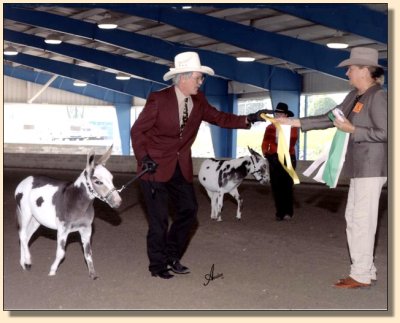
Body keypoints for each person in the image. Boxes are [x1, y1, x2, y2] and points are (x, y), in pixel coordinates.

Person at [130, 51, 270, 279]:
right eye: (198, 78)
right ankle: (157, 265)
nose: (201, 82)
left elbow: (220, 118)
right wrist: (143, 156)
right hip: (153, 168)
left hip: (179, 166)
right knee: (159, 220)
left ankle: (172, 256)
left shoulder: (199, 100)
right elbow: (138, 130)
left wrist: (249, 119)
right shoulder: (159, 99)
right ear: (183, 78)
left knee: (189, 211)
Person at [277, 47, 387, 288]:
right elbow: (328, 118)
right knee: (355, 219)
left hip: (372, 167)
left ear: (364, 70)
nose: (347, 72)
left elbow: (387, 133)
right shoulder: (354, 96)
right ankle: (365, 269)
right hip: (359, 168)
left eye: (350, 68)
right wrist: (291, 122)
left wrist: (354, 130)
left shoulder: (378, 96)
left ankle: (360, 274)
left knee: (362, 220)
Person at [261, 102, 299, 221]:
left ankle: (288, 212)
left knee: (287, 186)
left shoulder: (292, 127)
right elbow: (265, 143)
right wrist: (267, 154)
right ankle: (280, 212)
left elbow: (292, 141)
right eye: (276, 113)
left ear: (286, 115)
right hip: (274, 159)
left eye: (280, 114)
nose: (277, 116)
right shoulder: (270, 127)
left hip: (288, 158)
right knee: (276, 186)